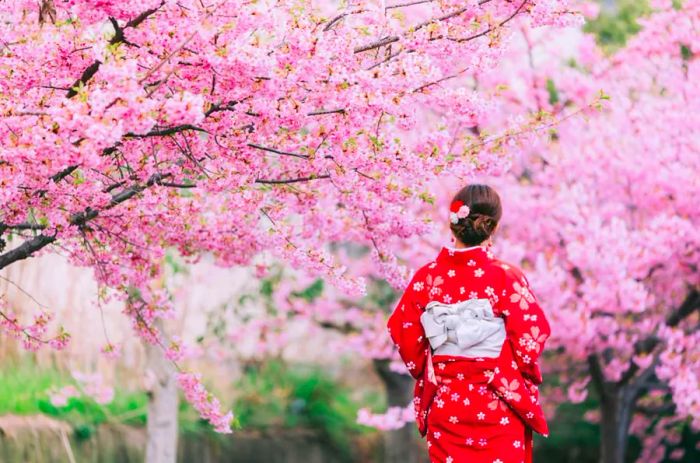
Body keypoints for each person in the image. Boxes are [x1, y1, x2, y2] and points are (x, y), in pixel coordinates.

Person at [387, 184, 551, 463]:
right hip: (497, 402)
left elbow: (402, 330)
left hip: (447, 403)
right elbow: (530, 339)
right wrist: (506, 369)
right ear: (493, 227)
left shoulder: (427, 278)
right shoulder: (506, 277)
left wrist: (437, 365)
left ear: (453, 226)